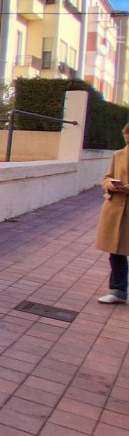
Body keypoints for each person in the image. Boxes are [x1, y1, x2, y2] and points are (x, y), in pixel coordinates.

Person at [95, 123, 129, 304]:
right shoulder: (118, 155)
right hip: (116, 209)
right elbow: (106, 177)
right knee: (116, 251)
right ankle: (117, 291)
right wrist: (110, 185)